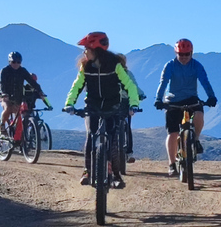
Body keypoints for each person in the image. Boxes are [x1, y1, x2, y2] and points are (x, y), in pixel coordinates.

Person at [63, 32, 140, 187]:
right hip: (92, 105)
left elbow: (129, 86)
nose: (84, 52)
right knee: (91, 136)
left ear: (95, 49)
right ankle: (87, 170)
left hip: (113, 106)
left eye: (86, 48)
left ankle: (117, 176)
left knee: (113, 141)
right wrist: (69, 103)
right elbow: (77, 86)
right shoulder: (86, 66)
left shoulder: (115, 65)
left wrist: (133, 104)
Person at [154, 38, 217, 176]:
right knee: (173, 133)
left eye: (186, 54)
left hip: (191, 98)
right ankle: (171, 164)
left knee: (199, 114)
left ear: (191, 53)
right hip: (172, 100)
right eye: (180, 54)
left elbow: (205, 82)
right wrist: (158, 99)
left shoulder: (197, 66)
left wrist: (211, 97)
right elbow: (163, 83)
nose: (183, 57)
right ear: (176, 53)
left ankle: (195, 140)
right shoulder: (170, 66)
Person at [0, 52, 45, 137]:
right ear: (9, 62)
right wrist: (4, 93)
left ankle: (18, 136)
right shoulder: (5, 71)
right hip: (5, 95)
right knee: (8, 108)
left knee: (19, 113)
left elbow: (32, 82)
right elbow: (1, 84)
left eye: (18, 62)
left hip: (17, 96)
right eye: (13, 62)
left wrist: (40, 92)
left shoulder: (22, 71)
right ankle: (2, 126)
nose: (16, 64)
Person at [117, 53, 146, 164]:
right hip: (121, 102)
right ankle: (128, 153)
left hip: (123, 102)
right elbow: (135, 87)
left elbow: (134, 87)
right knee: (126, 126)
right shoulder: (127, 74)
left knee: (125, 125)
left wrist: (139, 95)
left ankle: (128, 153)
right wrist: (141, 95)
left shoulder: (127, 74)